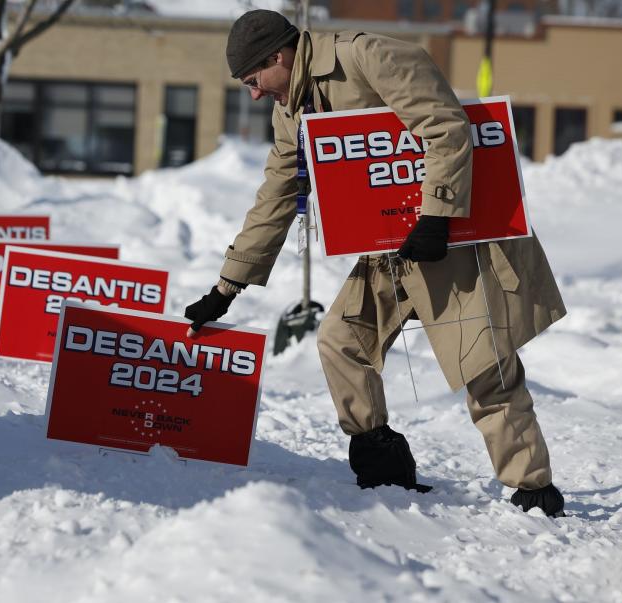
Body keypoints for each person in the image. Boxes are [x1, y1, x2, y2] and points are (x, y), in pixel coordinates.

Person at [184, 10, 567, 517]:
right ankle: (383, 468)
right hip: (388, 250)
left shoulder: (368, 56)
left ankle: (533, 489)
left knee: (485, 366)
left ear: (278, 57)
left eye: (254, 80)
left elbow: (445, 125)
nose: (255, 94)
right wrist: (226, 287)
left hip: (450, 239)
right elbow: (277, 194)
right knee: (341, 342)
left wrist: (437, 214)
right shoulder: (290, 108)